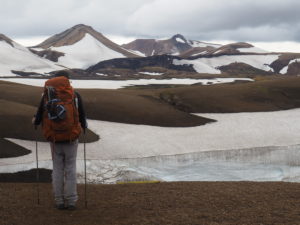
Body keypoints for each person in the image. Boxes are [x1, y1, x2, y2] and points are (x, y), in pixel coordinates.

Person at [33, 70, 87, 210]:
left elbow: (38, 116)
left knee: (57, 168)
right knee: (70, 168)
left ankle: (59, 200)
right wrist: (83, 128)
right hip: (71, 137)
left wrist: (36, 122)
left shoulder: (46, 96)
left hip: (54, 138)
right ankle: (71, 201)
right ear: (67, 81)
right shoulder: (74, 95)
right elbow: (82, 116)